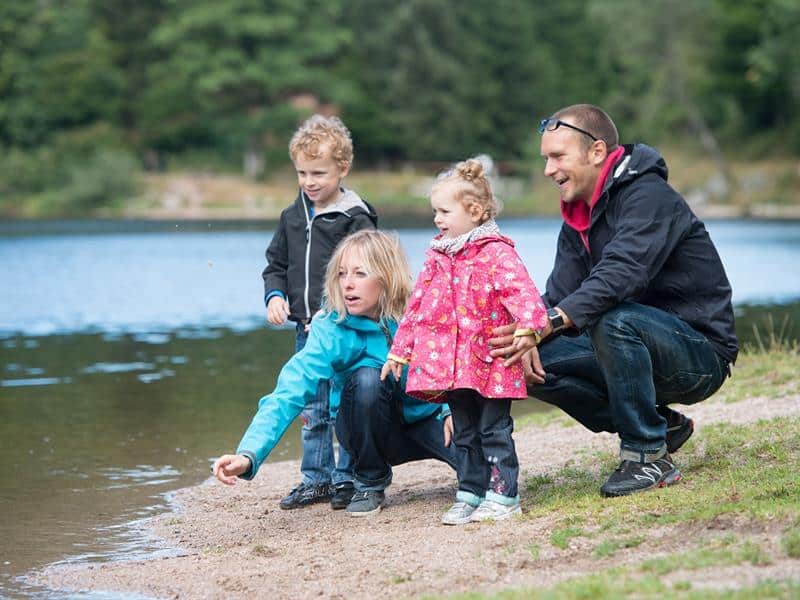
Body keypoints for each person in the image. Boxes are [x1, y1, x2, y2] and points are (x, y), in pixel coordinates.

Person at [490, 104, 737, 497]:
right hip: (631, 344)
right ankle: (662, 426)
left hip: (700, 354)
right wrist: (525, 332)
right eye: (546, 159)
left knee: (612, 318)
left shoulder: (648, 196)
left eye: (557, 157)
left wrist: (550, 322)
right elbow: (560, 292)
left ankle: (647, 456)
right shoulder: (579, 214)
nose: (548, 170)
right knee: (523, 360)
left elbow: (622, 274)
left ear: (597, 152)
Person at [214, 230, 460, 517]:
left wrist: (450, 408)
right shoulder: (331, 327)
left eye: (360, 273)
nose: (348, 284)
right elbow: (290, 390)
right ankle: (370, 480)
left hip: (427, 421)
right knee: (369, 378)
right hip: (364, 431)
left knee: (480, 472)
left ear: (386, 276)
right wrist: (248, 454)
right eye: (342, 274)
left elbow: (447, 362)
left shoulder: (417, 314)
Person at [381, 158, 548, 524]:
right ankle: (470, 490)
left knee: (494, 429)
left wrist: (528, 327)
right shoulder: (438, 256)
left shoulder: (496, 252)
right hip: (449, 364)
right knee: (465, 432)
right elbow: (417, 307)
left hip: (490, 363)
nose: (437, 219)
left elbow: (523, 293)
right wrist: (400, 350)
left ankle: (504, 494)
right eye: (435, 211)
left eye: (444, 211)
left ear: (473, 211)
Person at [262, 114, 377, 510]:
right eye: (302, 173)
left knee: (340, 405)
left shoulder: (355, 217)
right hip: (305, 329)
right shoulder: (292, 216)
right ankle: (316, 479)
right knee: (311, 407)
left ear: (342, 168)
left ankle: (347, 477)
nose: (309, 182)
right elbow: (275, 265)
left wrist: (343, 309)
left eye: (319, 173)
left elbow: (371, 271)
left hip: (345, 329)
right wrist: (275, 296)